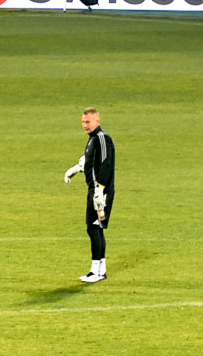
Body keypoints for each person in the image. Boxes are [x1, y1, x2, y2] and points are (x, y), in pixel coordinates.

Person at [62, 107, 115, 282]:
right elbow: (89, 163)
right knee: (95, 228)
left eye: (88, 122)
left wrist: (100, 189)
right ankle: (101, 270)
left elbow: (106, 164)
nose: (85, 125)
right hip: (94, 190)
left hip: (101, 191)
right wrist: (75, 169)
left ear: (97, 121)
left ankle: (96, 272)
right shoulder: (92, 140)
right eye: (83, 122)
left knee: (94, 228)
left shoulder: (102, 138)